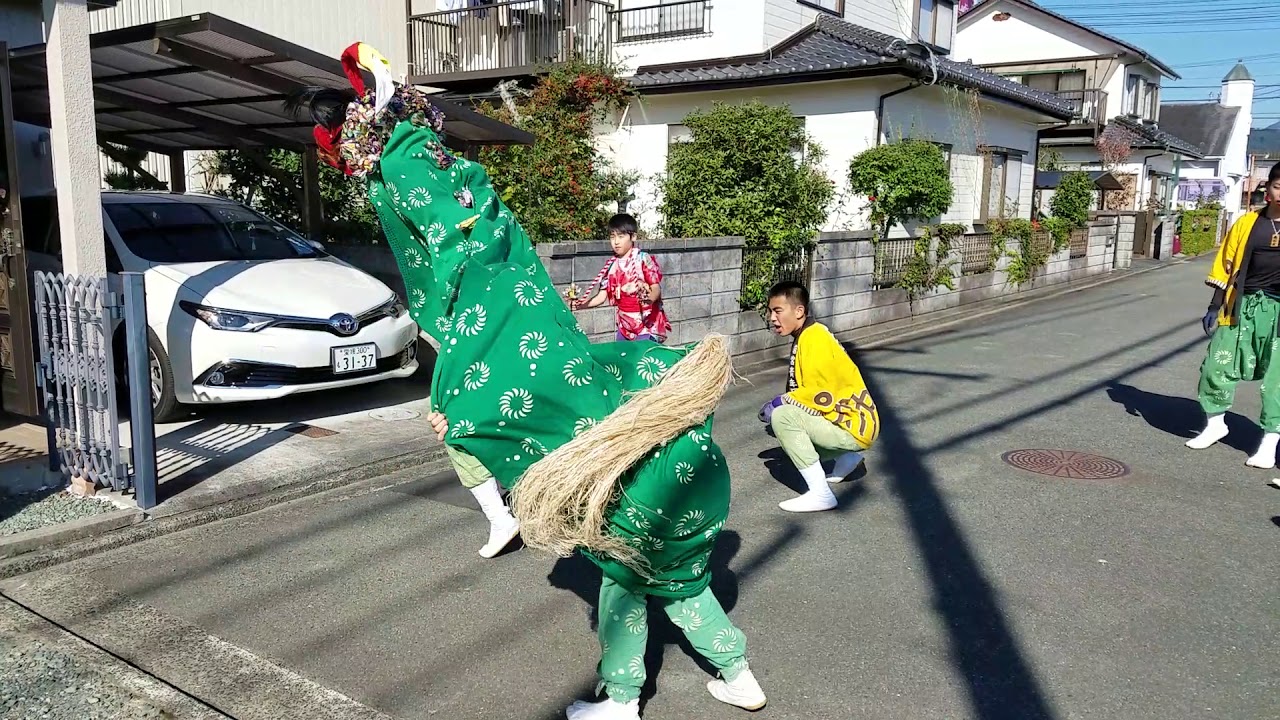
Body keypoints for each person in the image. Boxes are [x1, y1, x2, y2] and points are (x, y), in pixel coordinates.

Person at [296, 42, 762, 719]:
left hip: (605, 450)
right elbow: (474, 227)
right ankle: (732, 672)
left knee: (624, 567)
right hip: (643, 450)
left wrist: (453, 391)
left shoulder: (405, 165)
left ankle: (627, 698)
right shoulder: (432, 166)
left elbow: (463, 240)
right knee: (663, 573)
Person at [1187, 163, 1280, 468]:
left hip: (1278, 311)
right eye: (1277, 185)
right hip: (1240, 304)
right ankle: (1215, 424)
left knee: (1276, 380)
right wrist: (1214, 306)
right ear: (1268, 188)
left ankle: (1269, 442)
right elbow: (1226, 264)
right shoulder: (1246, 223)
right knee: (1216, 365)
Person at [762, 281, 878, 512]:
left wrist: (779, 403)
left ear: (799, 311)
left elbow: (818, 392)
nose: (771, 318)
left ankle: (821, 494)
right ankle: (847, 458)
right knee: (785, 420)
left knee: (783, 418)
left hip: (852, 426)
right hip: (857, 422)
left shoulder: (813, 338)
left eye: (777, 311)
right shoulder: (811, 333)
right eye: (770, 311)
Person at [571, 214, 672, 343]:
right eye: (612, 237)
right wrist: (581, 305)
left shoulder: (642, 259)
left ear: (633, 236)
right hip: (624, 327)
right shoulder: (611, 265)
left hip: (647, 326)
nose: (616, 242)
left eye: (621, 236)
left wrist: (649, 300)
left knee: (643, 361)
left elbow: (655, 287)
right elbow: (602, 296)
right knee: (621, 361)